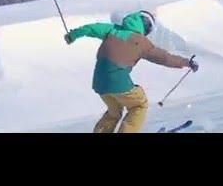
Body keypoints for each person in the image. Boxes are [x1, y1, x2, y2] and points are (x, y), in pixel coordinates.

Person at [64, 10, 198, 133]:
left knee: (114, 112)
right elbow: (165, 58)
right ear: (147, 28)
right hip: (118, 83)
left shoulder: (112, 29)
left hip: (99, 83)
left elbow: (91, 28)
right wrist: (187, 63)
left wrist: (73, 35)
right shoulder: (142, 42)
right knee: (139, 105)